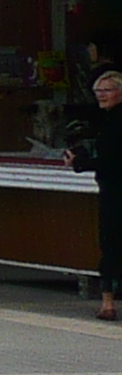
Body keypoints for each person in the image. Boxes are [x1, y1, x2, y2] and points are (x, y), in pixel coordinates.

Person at [79, 70, 122, 322]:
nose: (101, 96)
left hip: (115, 192)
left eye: (107, 90)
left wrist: (81, 163)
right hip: (113, 189)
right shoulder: (107, 120)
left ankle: (108, 303)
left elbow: (110, 161)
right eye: (98, 92)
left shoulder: (113, 122)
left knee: (111, 243)